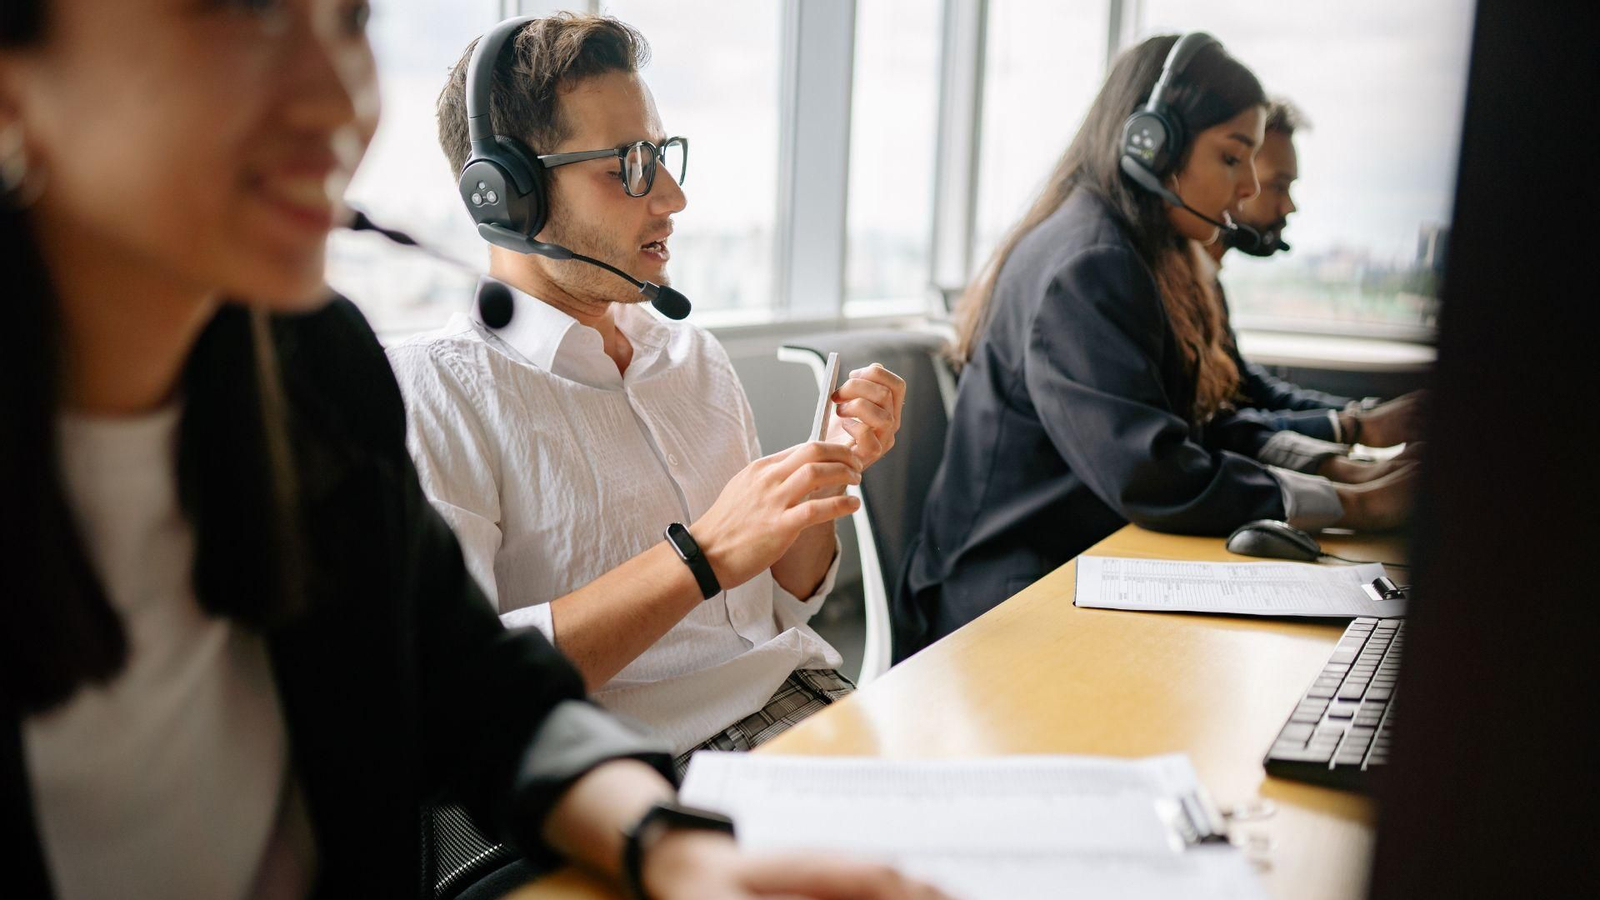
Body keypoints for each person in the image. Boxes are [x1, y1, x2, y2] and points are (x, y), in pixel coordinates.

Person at [0, 2, 939, 898]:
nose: (339, 100)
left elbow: (476, 686)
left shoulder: (320, 373)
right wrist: (700, 556)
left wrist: (664, 846)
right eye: (244, 7)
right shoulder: (422, 383)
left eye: (352, 19)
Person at [387, 14, 906, 773]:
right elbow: (458, 690)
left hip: (812, 704)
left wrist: (826, 474)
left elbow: (780, 603)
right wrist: (703, 554)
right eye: (628, 166)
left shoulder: (691, 356)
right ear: (506, 197)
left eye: (661, 154)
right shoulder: (436, 393)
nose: (672, 197)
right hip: (650, 771)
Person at [892, 34, 1417, 660]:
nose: (1248, 186)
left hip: (1081, 561)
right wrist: (1356, 506)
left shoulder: (1139, 253)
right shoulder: (1090, 262)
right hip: (1004, 597)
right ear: (1152, 144)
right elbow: (1153, 472)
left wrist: (1345, 469)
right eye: (1232, 157)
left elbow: (1203, 426)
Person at [1199, 98, 1425, 479]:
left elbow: (1248, 390)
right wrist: (1355, 429)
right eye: (1278, 186)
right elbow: (1214, 430)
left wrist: (1361, 415)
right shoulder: (1172, 287)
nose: (1289, 206)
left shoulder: (1208, 282)